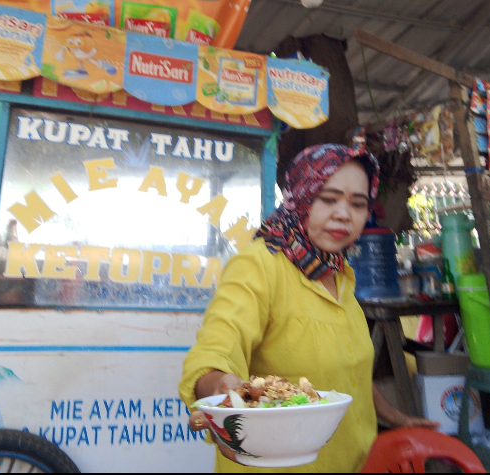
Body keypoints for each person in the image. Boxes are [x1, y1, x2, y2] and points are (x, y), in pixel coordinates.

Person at [178, 144, 439, 473]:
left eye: (358, 204)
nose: (344, 214)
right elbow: (218, 344)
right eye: (328, 199)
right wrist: (222, 393)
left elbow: (347, 370)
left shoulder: (340, 273)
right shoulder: (260, 265)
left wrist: (397, 418)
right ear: (300, 195)